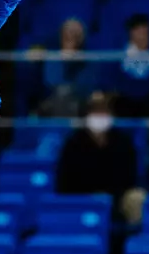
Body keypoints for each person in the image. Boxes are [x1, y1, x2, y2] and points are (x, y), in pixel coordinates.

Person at [56, 91, 144, 231]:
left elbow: (130, 178)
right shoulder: (73, 143)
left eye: (103, 111)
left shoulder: (123, 142)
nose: (100, 116)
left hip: (117, 198)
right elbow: (65, 182)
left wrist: (111, 196)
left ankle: (135, 246)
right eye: (95, 111)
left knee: (137, 197)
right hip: (81, 197)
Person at [36, 17, 101, 117]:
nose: (72, 36)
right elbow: (51, 82)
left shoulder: (89, 59)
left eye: (76, 33)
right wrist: (65, 58)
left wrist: (74, 58)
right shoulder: (52, 57)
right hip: (55, 101)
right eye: (69, 32)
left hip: (81, 102)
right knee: (62, 93)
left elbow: (86, 85)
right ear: (62, 35)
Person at [113, 14, 149, 119]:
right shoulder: (119, 57)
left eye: (146, 32)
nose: (143, 35)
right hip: (127, 100)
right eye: (139, 31)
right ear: (131, 33)